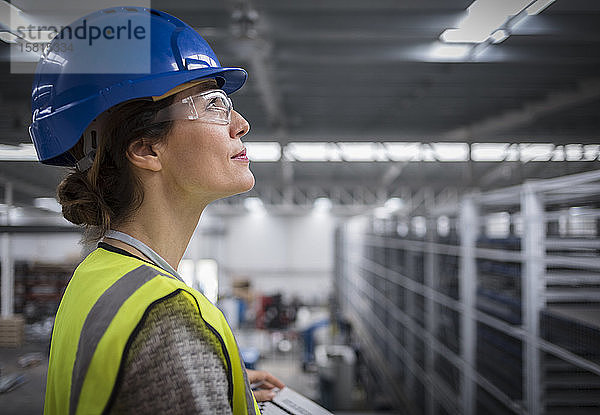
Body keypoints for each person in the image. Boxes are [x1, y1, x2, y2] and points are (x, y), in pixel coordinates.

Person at [29, 6, 284, 414]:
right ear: (147, 149)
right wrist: (189, 368)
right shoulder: (170, 318)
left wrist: (207, 381)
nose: (241, 123)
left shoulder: (95, 279)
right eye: (215, 104)